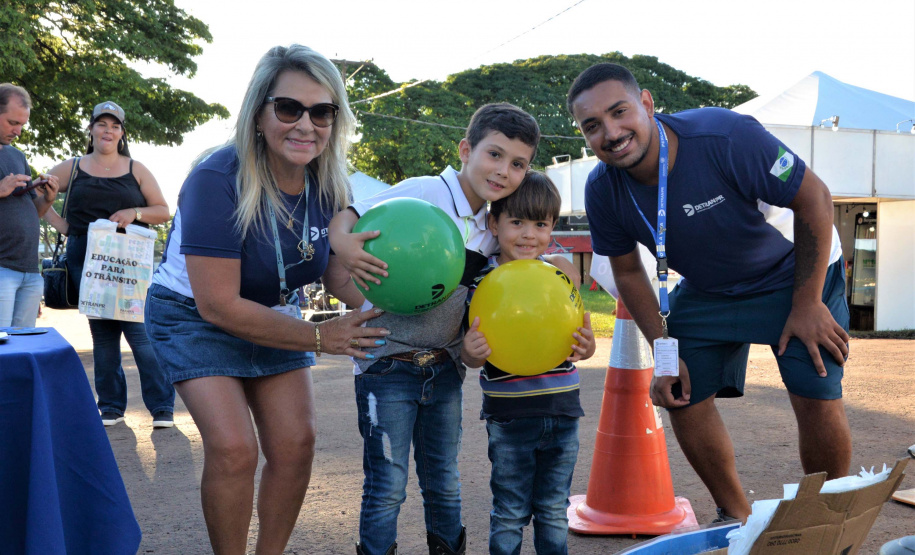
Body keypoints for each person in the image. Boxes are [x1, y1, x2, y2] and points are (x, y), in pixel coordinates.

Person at [567, 63, 851, 523]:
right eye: (593, 126)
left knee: (815, 386)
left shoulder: (726, 135)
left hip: (792, 271)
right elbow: (628, 271)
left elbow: (814, 198)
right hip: (710, 287)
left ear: (647, 104)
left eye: (619, 112)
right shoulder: (602, 189)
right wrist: (663, 349)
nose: (612, 133)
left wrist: (807, 303)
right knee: (679, 388)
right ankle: (736, 518)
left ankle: (827, 518)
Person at [144, 44, 389, 554]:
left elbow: (337, 276)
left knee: (296, 446)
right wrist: (320, 337)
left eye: (322, 112)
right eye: (289, 108)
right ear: (258, 112)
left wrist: (400, 305)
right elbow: (217, 305)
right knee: (235, 448)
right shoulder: (215, 179)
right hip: (194, 316)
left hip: (273, 312)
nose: (306, 125)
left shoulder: (330, 183)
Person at [329, 103, 541, 555]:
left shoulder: (493, 226)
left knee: (444, 481)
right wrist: (343, 243)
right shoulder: (424, 191)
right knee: (387, 485)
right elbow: (346, 217)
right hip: (385, 365)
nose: (503, 171)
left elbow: (534, 262)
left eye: (518, 164)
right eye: (494, 154)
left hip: (445, 368)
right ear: (466, 150)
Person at [460, 171, 596, 555]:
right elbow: (470, 357)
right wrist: (470, 350)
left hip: (562, 411)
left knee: (553, 509)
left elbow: (580, 343)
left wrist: (586, 348)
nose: (528, 235)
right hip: (509, 417)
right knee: (509, 511)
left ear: (552, 227)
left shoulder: (559, 275)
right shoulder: (481, 281)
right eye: (517, 222)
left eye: (540, 224)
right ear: (494, 224)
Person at [45, 101, 174, 429]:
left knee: (140, 335)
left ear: (122, 133)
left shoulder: (136, 168)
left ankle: (162, 407)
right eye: (101, 124)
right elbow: (37, 194)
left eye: (115, 125)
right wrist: (64, 226)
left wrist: (135, 213)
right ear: (91, 129)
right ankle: (111, 407)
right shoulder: (73, 167)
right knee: (103, 337)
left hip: (128, 261)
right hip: (85, 259)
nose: (108, 130)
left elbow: (163, 210)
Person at [0, 84, 59, 327]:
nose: (18, 131)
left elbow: (34, 212)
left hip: (30, 272)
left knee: (23, 345)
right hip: (2, 269)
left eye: (22, 124)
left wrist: (47, 198)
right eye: (13, 122)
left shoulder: (17, 156)